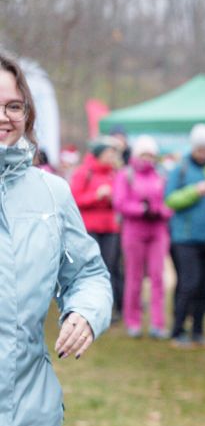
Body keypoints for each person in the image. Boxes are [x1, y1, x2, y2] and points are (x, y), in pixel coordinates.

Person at [0, 52, 112, 426]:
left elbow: (88, 272)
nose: (5, 116)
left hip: (21, 420)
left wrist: (85, 312)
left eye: (14, 105)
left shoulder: (51, 194)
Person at [164, 123, 205, 349]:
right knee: (188, 283)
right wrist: (195, 191)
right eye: (199, 149)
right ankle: (177, 330)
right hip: (183, 237)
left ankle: (197, 330)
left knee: (204, 284)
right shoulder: (181, 169)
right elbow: (170, 199)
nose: (203, 154)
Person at [112, 134, 172, 339]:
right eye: (144, 154)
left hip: (157, 231)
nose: (147, 158)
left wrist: (158, 210)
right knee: (134, 277)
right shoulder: (126, 174)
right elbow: (119, 202)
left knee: (157, 277)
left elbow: (170, 202)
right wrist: (141, 209)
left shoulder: (162, 175)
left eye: (151, 154)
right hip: (133, 231)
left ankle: (158, 323)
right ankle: (133, 321)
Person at [70, 135, 123, 322]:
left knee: (111, 268)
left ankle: (111, 308)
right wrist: (96, 196)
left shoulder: (115, 174)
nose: (111, 157)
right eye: (108, 153)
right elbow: (74, 200)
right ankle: (86, 308)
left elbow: (122, 200)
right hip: (89, 229)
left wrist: (112, 199)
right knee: (90, 269)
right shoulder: (84, 173)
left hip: (111, 229)